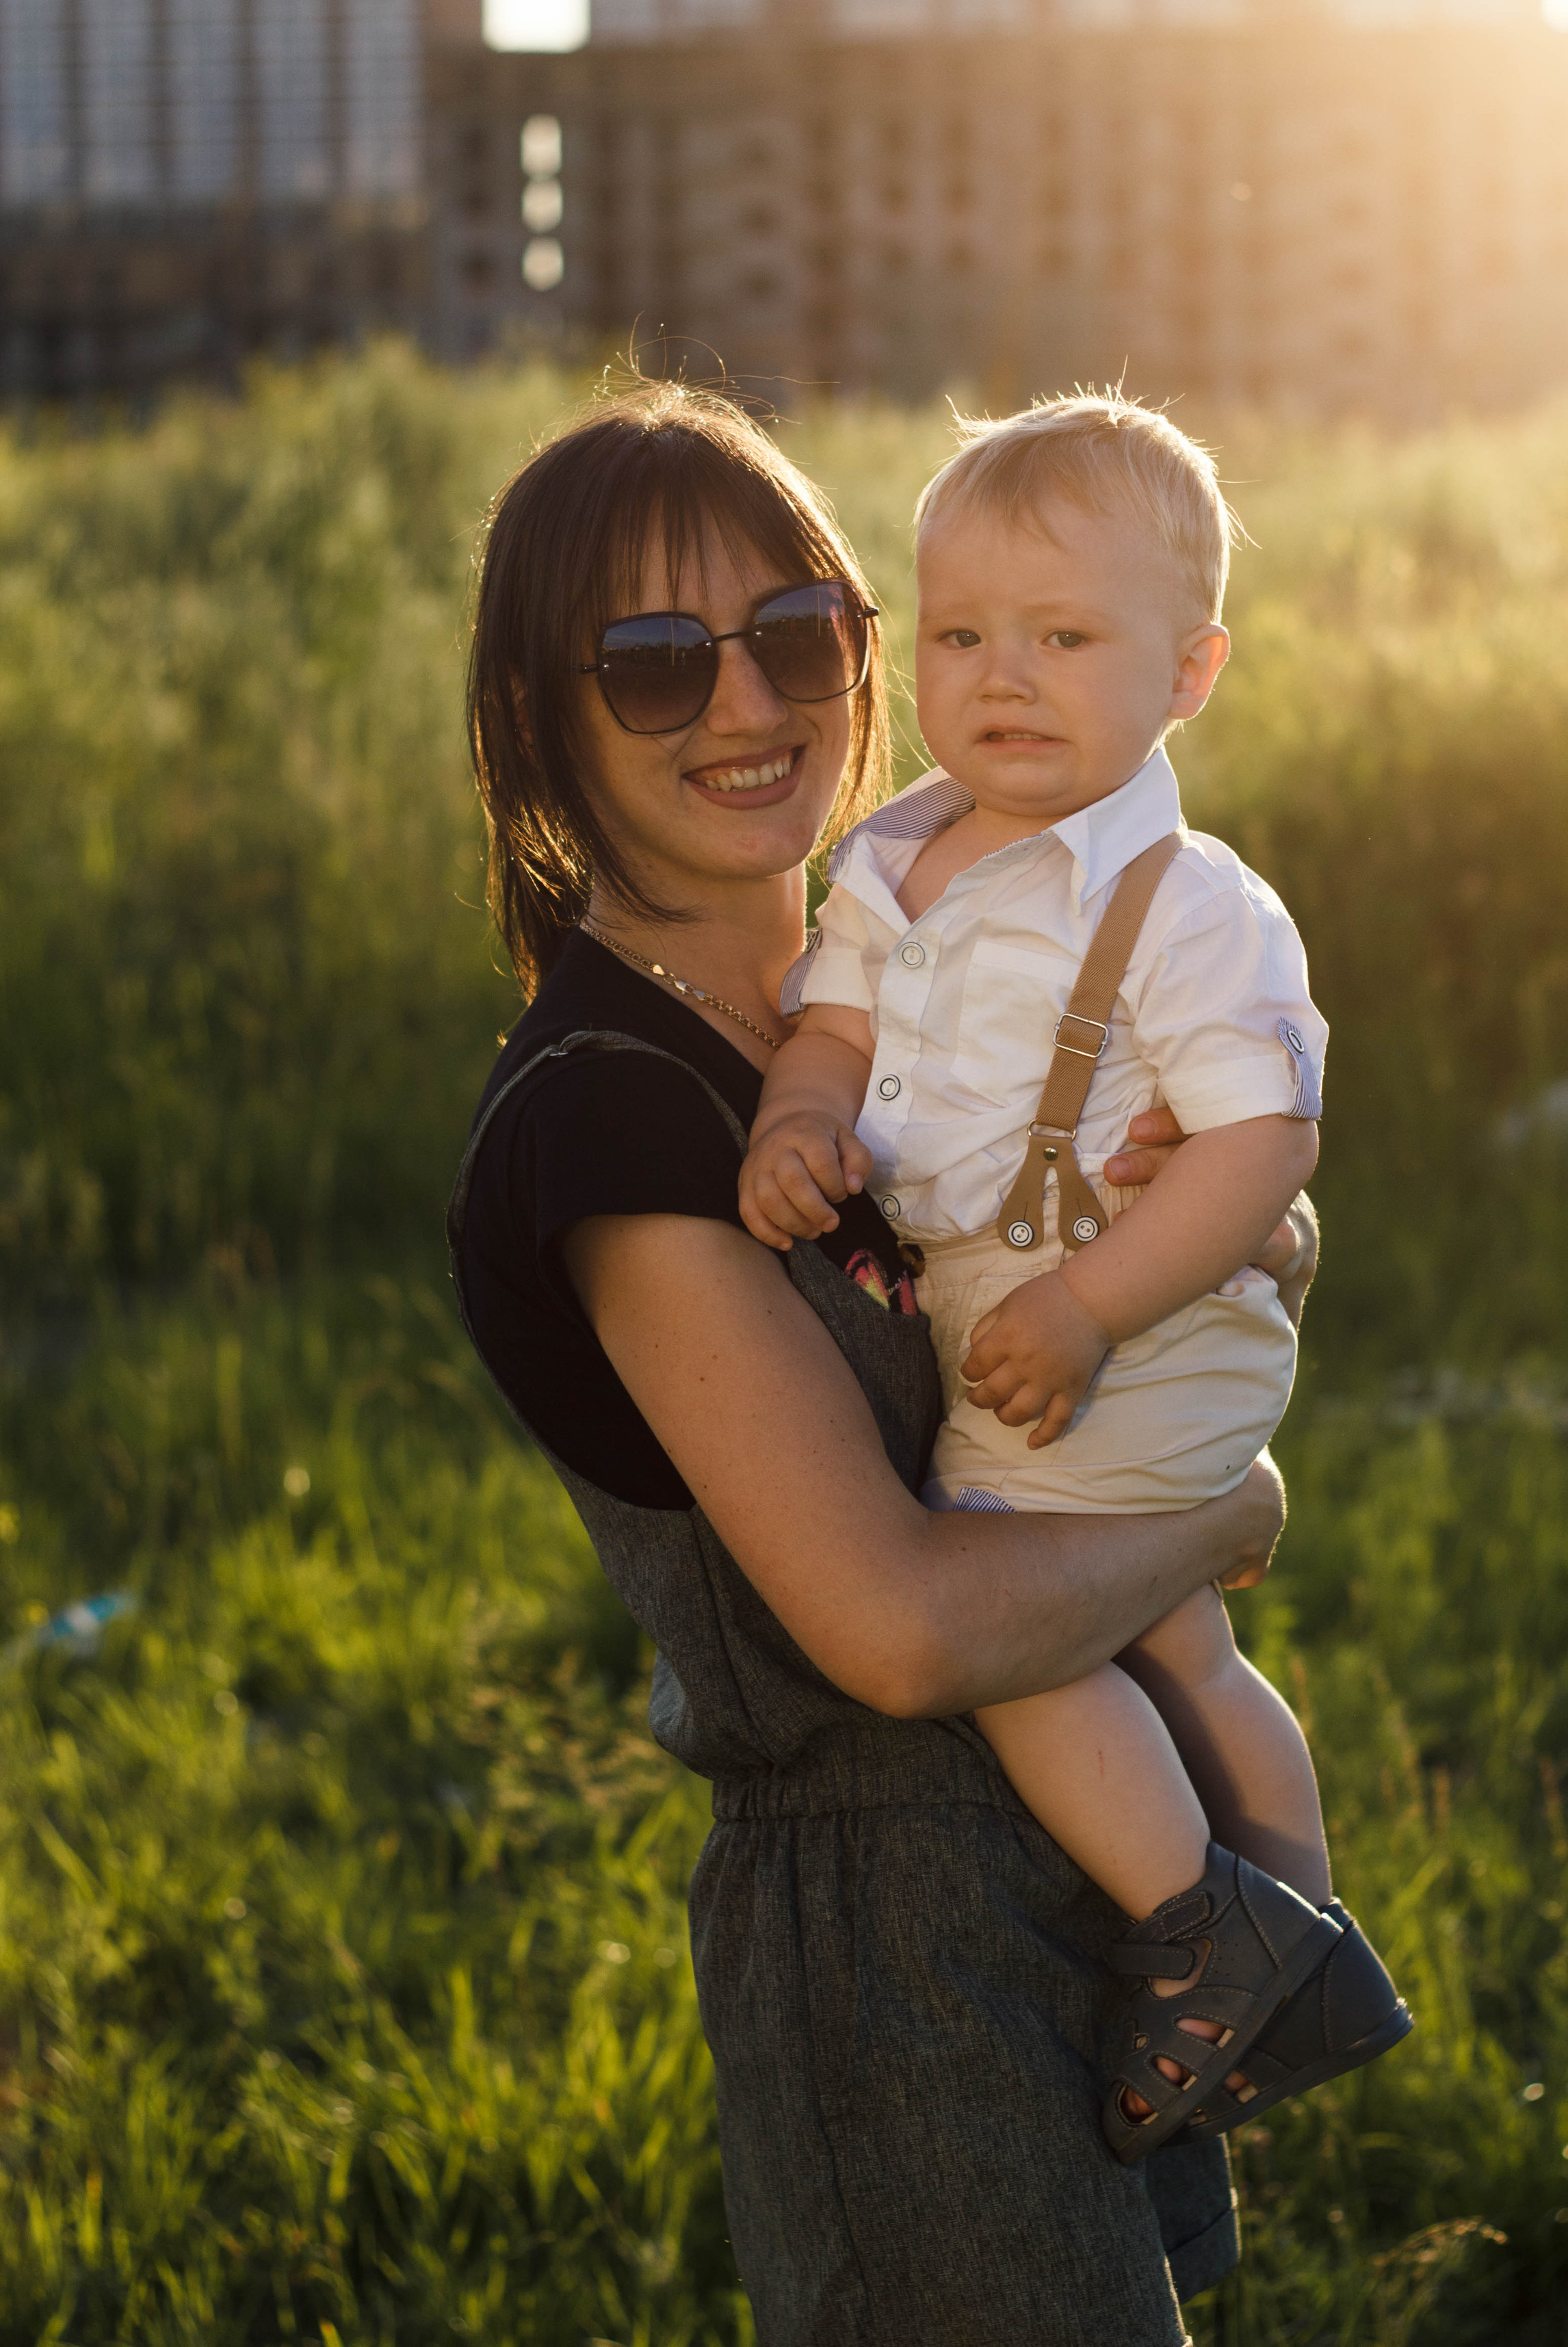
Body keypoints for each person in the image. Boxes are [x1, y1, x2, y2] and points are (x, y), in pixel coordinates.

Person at [449, 381, 1315, 2347]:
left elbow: (1197, 1205)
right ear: (540, 715)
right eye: (658, 665)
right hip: (897, 1964)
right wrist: (1220, 1515)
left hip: (1087, 1889)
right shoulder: (608, 1121)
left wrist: (1239, 1220)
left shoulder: (911, 968)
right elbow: (903, 1633)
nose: (748, 709)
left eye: (798, 636)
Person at [740, 391, 1411, 2154]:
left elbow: (1265, 1147)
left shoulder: (1194, 906)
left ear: (1188, 676)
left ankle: (1208, 1933)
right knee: (1172, 1635)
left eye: (1063, 636)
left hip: (1133, 1307)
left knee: (1008, 1616)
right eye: (958, 633)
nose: (1002, 677)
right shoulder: (895, 856)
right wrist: (795, 1123)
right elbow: (829, 1024)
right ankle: (1306, 1915)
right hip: (1018, 1301)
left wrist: (1089, 1303)